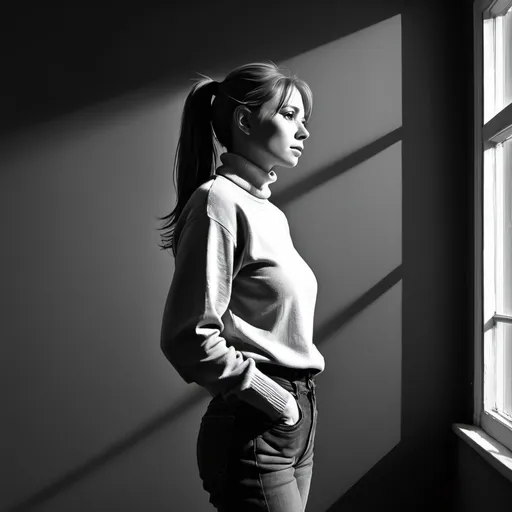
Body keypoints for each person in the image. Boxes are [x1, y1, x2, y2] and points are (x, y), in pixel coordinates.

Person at [158, 61, 325, 512]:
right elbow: (188, 335)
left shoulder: (268, 212)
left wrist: (294, 413)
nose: (303, 131)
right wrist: (276, 402)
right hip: (260, 422)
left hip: (294, 420)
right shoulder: (218, 201)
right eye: (289, 115)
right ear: (245, 120)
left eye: (303, 119)